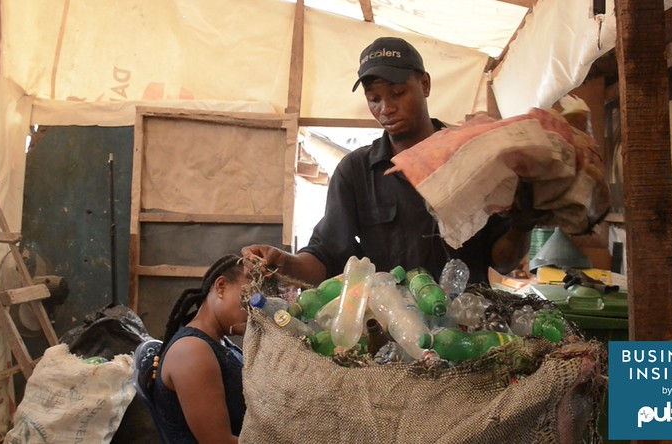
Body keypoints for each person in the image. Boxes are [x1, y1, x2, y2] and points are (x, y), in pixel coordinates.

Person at [244, 36, 540, 287]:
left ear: (424, 84)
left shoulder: (473, 157)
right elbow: (327, 256)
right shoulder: (356, 172)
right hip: (393, 336)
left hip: (469, 333)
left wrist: (522, 225)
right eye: (374, 98)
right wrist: (284, 262)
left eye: (398, 93)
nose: (386, 108)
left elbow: (503, 263)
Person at [151, 255, 249, 444]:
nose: (256, 311)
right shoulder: (191, 351)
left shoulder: (220, 341)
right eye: (249, 298)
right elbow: (218, 442)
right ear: (221, 287)